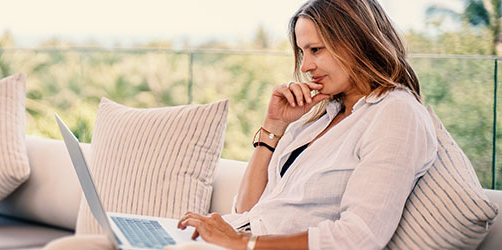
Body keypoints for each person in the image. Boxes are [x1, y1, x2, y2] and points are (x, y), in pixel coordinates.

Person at [44, 0, 436, 249]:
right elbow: (248, 207)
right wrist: (273, 130)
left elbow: (359, 238)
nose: (306, 66)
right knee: (73, 246)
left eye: (316, 50)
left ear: (358, 42)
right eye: (302, 52)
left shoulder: (395, 114)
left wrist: (244, 244)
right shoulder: (322, 116)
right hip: (232, 239)